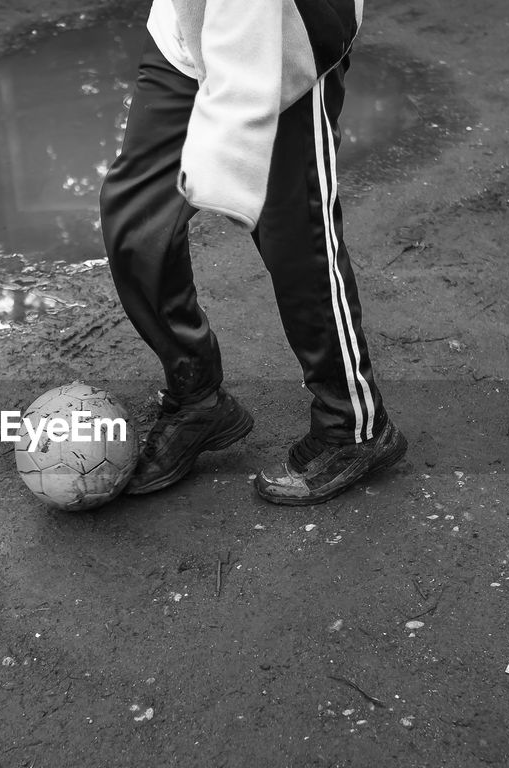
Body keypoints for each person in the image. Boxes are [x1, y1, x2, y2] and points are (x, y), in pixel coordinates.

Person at [99, 0, 406, 505]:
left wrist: (231, 140)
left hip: (283, 45)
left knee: (297, 237)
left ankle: (353, 424)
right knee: (135, 218)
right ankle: (196, 394)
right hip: (187, 32)